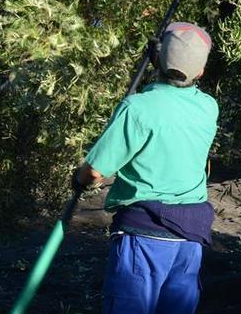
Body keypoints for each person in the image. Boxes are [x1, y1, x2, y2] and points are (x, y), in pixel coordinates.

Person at [74, 22, 218, 314]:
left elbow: (94, 171)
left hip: (145, 235)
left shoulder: (137, 108)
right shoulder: (208, 107)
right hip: (190, 237)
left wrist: (79, 179)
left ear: (155, 59)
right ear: (200, 72)